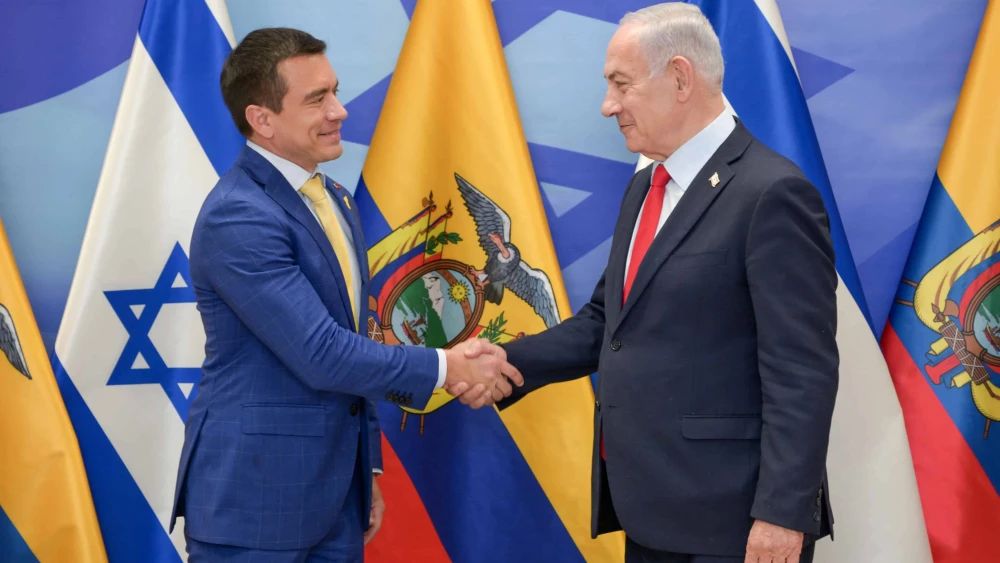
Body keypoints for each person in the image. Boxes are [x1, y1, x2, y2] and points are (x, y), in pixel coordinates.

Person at [487, 4, 838, 563]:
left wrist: (781, 514)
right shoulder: (648, 185)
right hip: (649, 508)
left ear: (679, 78)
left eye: (620, 84)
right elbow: (609, 323)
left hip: (735, 525)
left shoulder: (772, 193)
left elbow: (803, 370)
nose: (608, 106)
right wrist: (502, 363)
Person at [168, 27, 521, 562]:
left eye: (334, 91)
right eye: (317, 99)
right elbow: (323, 354)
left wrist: (366, 469)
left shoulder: (334, 197)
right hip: (256, 505)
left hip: (336, 500)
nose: (340, 111)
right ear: (261, 119)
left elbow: (354, 339)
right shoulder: (239, 215)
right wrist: (449, 367)